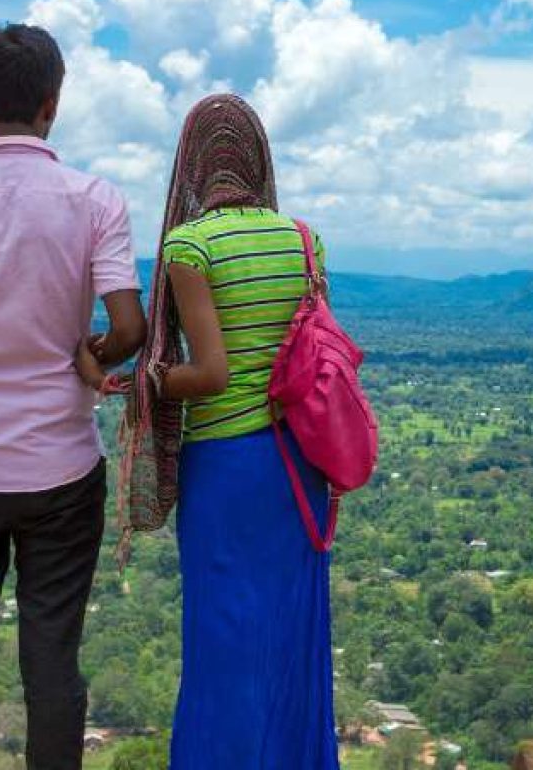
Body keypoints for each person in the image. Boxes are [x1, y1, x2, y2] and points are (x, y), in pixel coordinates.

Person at [82, 94, 339, 768]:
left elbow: (215, 374)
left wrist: (151, 380)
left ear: (191, 169)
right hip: (298, 467)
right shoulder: (303, 239)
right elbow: (313, 355)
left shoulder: (189, 245)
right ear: (258, 161)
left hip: (227, 470)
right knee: (292, 636)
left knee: (223, 642)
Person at [0, 25, 145, 769]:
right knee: (51, 656)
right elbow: (130, 327)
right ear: (51, 106)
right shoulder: (93, 200)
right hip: (60, 467)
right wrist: (88, 355)